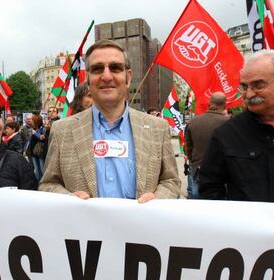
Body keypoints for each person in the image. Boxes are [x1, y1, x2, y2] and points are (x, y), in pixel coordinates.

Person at [40, 39, 181, 202]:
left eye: (115, 68)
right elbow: (48, 184)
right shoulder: (61, 130)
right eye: (98, 69)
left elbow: (171, 181)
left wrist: (157, 199)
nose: (106, 76)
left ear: (128, 77)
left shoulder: (158, 128)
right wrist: (68, 199)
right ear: (88, 79)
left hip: (140, 226)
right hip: (83, 227)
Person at [199, 50, 274, 207]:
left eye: (258, 85)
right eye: (244, 86)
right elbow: (210, 190)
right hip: (248, 230)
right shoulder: (226, 134)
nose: (248, 94)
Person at [184, 92, 229, 199]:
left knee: (198, 203)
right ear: (225, 105)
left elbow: (187, 147)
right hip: (222, 173)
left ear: (209, 104)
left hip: (198, 169)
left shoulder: (193, 122)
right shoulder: (229, 123)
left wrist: (194, 161)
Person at [28, 114, 46, 180]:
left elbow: (42, 138)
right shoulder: (32, 129)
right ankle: (37, 184)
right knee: (36, 169)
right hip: (33, 152)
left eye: (32, 119)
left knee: (42, 169)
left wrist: (35, 133)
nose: (30, 121)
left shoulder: (42, 129)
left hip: (40, 152)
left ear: (36, 121)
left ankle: (43, 183)